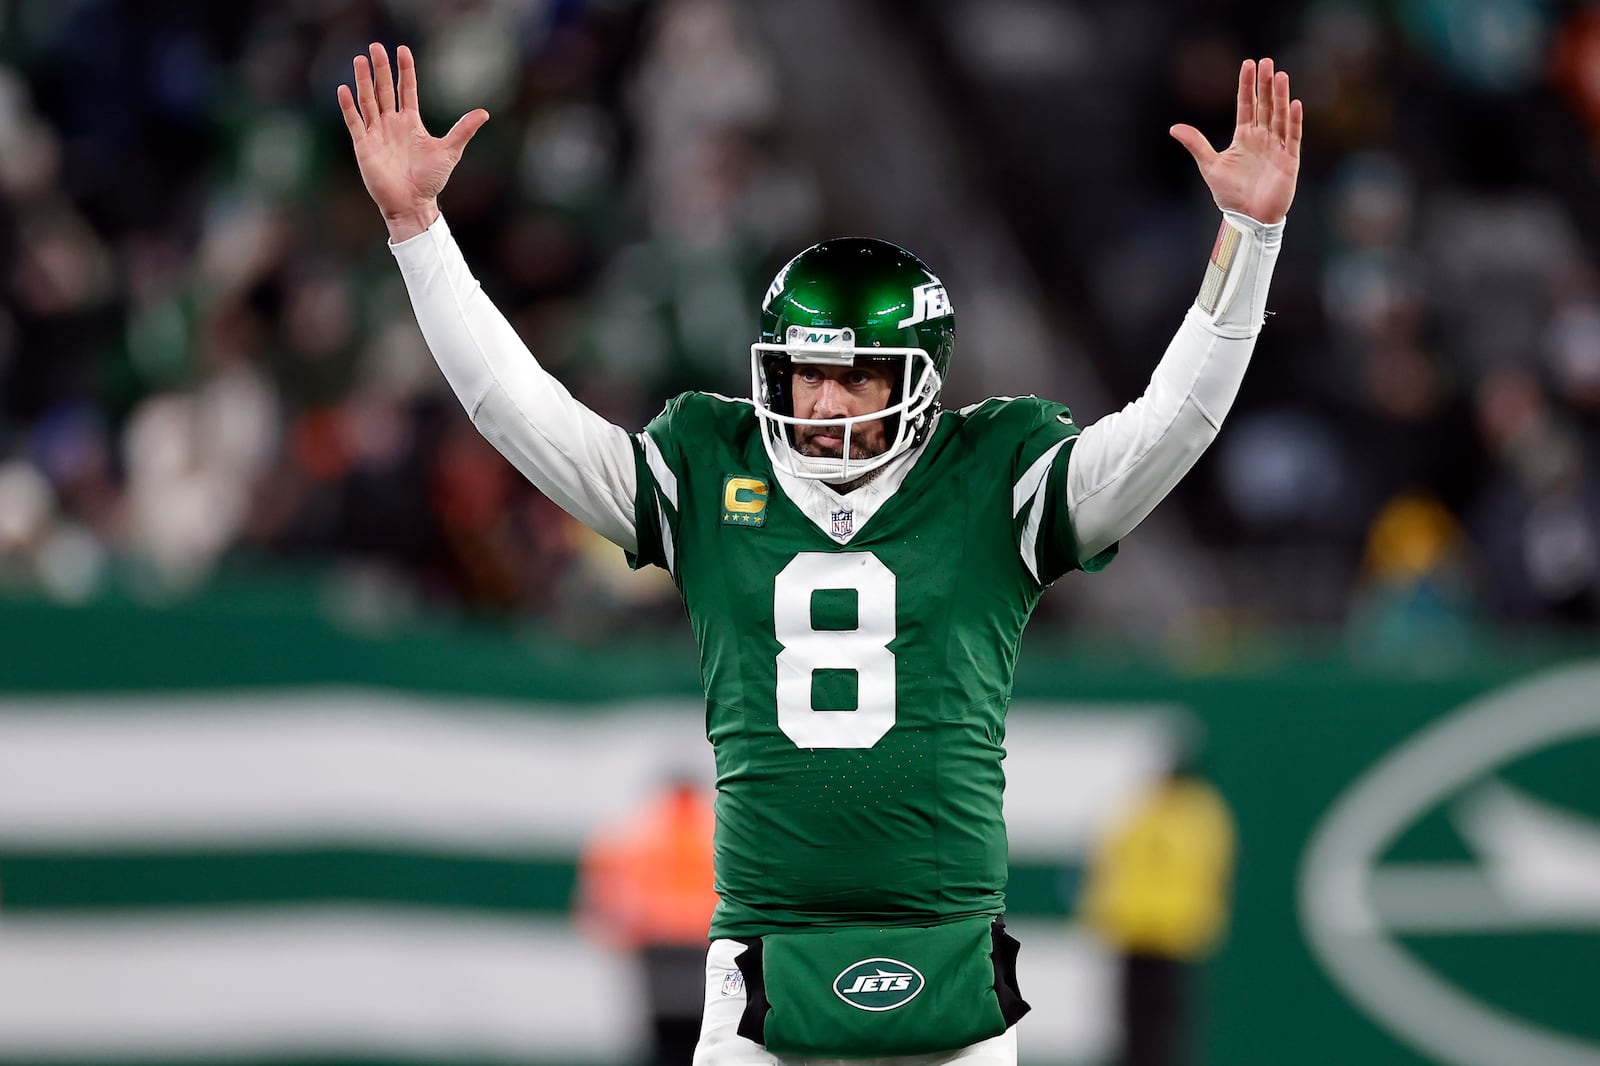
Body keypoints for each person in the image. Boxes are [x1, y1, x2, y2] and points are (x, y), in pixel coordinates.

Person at [337, 42, 1301, 1066]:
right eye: (803, 373)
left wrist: (1250, 237)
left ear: (919, 380)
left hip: (948, 958)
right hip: (762, 959)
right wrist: (418, 232)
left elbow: (1174, 424)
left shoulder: (988, 478)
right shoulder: (713, 469)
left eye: (855, 378)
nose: (823, 400)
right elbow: (519, 413)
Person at [1080, 755, 1237, 1066]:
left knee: (1160, 1026)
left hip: (1167, 936)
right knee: (1140, 1025)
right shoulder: (1191, 812)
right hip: (1142, 933)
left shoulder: (1167, 811)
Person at [575, 778, 720, 1066]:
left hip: (655, 946)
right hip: (706, 945)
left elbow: (597, 901)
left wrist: (620, 934)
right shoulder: (717, 829)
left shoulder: (633, 830)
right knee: (706, 1034)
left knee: (666, 1036)